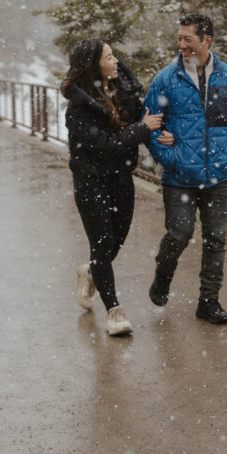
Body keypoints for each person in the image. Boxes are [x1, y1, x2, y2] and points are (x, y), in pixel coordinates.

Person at [143, 13, 227, 325]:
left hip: (218, 177)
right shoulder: (166, 79)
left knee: (216, 240)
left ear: (206, 41)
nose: (182, 44)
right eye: (179, 38)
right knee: (179, 234)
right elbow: (149, 124)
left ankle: (209, 301)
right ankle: (163, 278)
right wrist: (169, 157)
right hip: (179, 179)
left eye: (188, 38)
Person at [62, 39, 170, 336]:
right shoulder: (78, 109)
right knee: (101, 243)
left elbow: (145, 119)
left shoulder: (125, 91)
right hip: (90, 181)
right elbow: (106, 145)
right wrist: (141, 128)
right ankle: (113, 311)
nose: (116, 61)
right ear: (94, 67)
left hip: (121, 178)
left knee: (115, 243)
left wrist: (162, 135)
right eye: (109, 57)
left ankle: (90, 272)